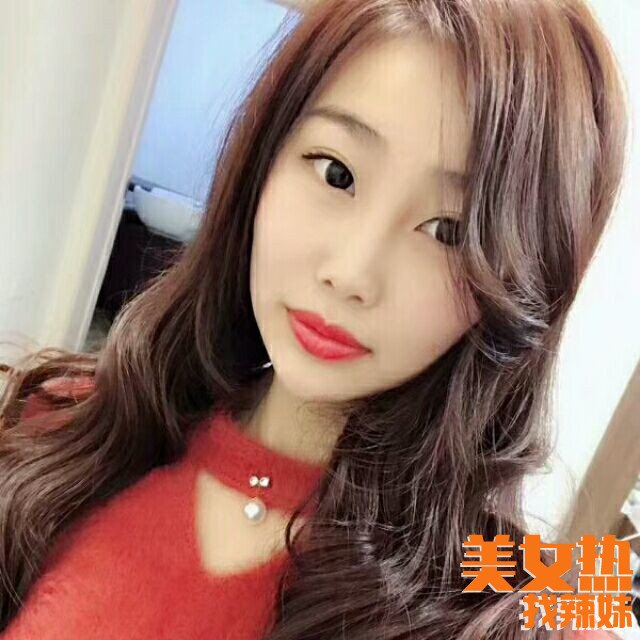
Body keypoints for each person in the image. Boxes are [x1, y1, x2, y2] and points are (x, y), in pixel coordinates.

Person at [0, 0, 629, 638]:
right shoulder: (68, 432)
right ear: (264, 158)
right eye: (337, 173)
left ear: (520, 288)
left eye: (449, 232)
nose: (351, 273)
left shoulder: (512, 609)